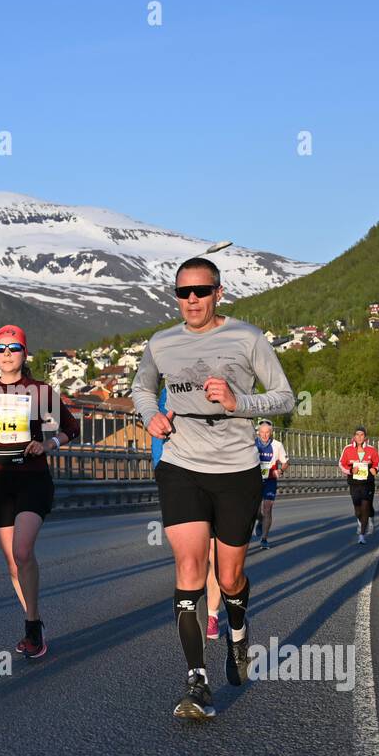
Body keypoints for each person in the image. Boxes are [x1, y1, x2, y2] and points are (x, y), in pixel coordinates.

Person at [133, 257, 295, 719]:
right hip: (181, 463)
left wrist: (237, 401)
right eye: (182, 293)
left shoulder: (247, 337)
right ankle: (196, 681)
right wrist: (151, 416)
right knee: (188, 565)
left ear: (218, 293)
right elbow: (142, 388)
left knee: (228, 578)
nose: (191, 301)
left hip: (237, 468)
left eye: (200, 291)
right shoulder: (161, 343)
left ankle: (239, 632)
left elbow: (285, 396)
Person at [0, 325, 79, 659]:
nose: (7, 354)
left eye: (14, 348)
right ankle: (35, 623)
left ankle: (30, 626)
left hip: (32, 479)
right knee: (13, 562)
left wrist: (48, 443)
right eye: (1, 349)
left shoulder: (40, 391)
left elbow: (72, 428)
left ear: (25, 354)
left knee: (23, 551)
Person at [152, 387, 223, 639]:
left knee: (216, 554)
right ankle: (192, 608)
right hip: (180, 481)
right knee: (189, 558)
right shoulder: (167, 392)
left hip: (218, 477)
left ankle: (212, 615)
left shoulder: (219, 383)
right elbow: (157, 436)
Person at [338, 427, 379, 545]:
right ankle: (361, 520)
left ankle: (362, 535)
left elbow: (377, 463)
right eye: (357, 435)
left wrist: (375, 469)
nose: (360, 437)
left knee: (366, 506)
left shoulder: (372, 450)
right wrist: (351, 470)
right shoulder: (347, 449)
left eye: (362, 435)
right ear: (354, 437)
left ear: (365, 437)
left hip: (368, 482)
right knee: (357, 509)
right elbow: (341, 464)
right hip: (354, 482)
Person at [252, 419, 289, 549]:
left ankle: (264, 539)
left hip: (270, 481)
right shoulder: (252, 444)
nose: (265, 435)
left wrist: (280, 470)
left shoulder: (277, 445)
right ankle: (260, 520)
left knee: (267, 508)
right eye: (262, 432)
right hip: (254, 481)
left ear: (271, 432)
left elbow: (285, 462)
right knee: (255, 511)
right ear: (258, 432)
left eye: (267, 432)